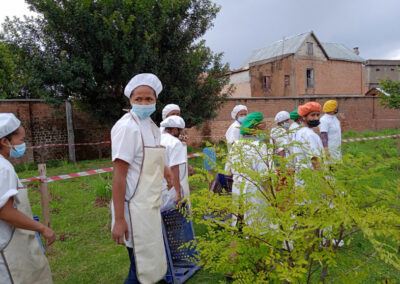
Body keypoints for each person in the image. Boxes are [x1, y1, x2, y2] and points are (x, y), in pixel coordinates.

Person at [111, 73, 174, 283]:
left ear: (156, 100)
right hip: (133, 210)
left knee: (152, 259)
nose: (144, 103)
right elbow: (119, 176)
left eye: (149, 99)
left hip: (149, 205)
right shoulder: (127, 128)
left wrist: (165, 169)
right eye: (139, 99)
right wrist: (120, 219)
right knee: (140, 268)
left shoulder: (152, 126)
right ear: (130, 100)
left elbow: (151, 154)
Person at [0, 113, 55, 284]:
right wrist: (41, 228)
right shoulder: (4, 168)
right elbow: (6, 212)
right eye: (21, 139)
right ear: (4, 141)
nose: (23, 145)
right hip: (7, 248)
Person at [229, 112, 273, 226]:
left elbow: (230, 170)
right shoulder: (259, 146)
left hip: (238, 189)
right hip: (254, 192)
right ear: (254, 128)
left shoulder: (236, 145)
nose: (265, 129)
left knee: (240, 225)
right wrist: (272, 198)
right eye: (263, 127)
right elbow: (264, 176)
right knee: (254, 228)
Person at [160, 115, 190, 211]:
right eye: (179, 131)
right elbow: (174, 168)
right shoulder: (175, 143)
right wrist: (178, 193)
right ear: (174, 130)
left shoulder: (158, 139)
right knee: (171, 218)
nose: (180, 133)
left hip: (158, 186)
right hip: (171, 187)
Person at [293, 102, 324, 170]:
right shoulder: (309, 134)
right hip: (312, 175)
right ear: (304, 117)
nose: (316, 118)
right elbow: (314, 159)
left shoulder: (299, 131)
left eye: (318, 115)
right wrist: (322, 179)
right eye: (312, 115)